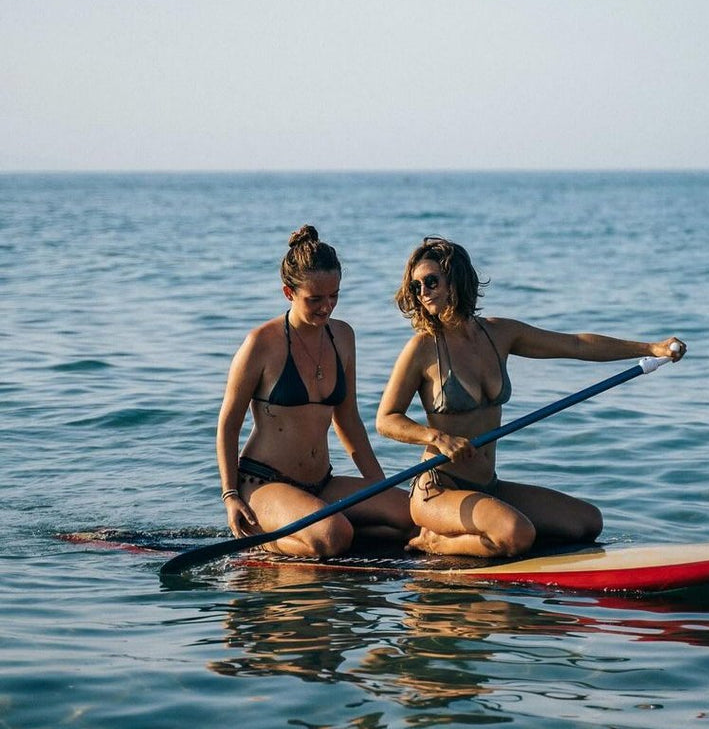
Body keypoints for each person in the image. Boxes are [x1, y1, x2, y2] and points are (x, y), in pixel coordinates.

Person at [376, 236, 685, 559]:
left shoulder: (500, 333)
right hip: (438, 489)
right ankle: (436, 541)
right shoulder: (422, 348)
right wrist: (436, 437)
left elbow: (576, 345)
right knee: (516, 534)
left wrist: (650, 349)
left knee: (588, 522)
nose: (422, 292)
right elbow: (386, 419)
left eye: (430, 281)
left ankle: (488, 535)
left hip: (488, 484)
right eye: (415, 287)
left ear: (457, 279)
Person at [217, 225, 413, 557]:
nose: (327, 307)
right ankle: (264, 536)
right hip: (264, 485)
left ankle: (327, 533)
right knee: (333, 534)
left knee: (412, 514)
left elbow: (348, 422)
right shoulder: (260, 345)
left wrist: (379, 487)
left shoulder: (343, 337)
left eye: (334, 295)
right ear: (288, 292)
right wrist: (230, 496)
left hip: (323, 483)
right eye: (315, 299)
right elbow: (228, 425)